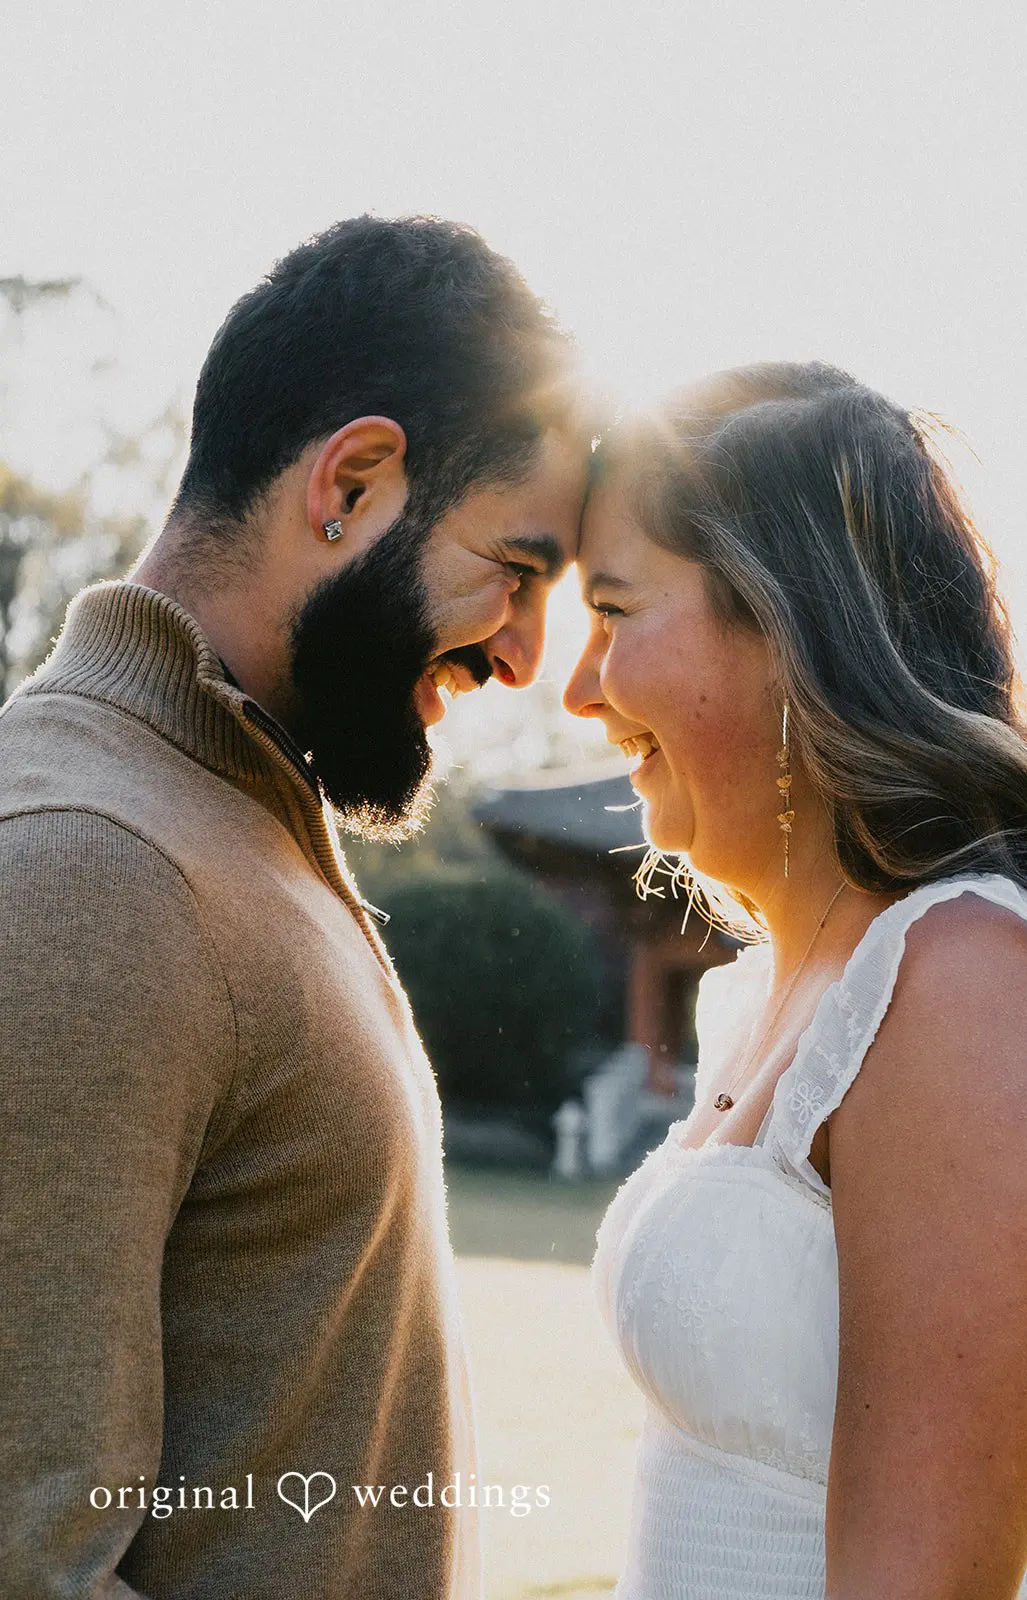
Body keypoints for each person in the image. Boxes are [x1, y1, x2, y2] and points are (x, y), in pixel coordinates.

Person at [0, 215, 590, 1599]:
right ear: (353, 482)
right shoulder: (91, 863)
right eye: (516, 568)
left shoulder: (229, 816)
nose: (524, 653)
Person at [563, 362, 1027, 1598]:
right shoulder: (762, 988)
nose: (576, 688)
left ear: (784, 630)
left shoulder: (963, 984)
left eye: (615, 610)